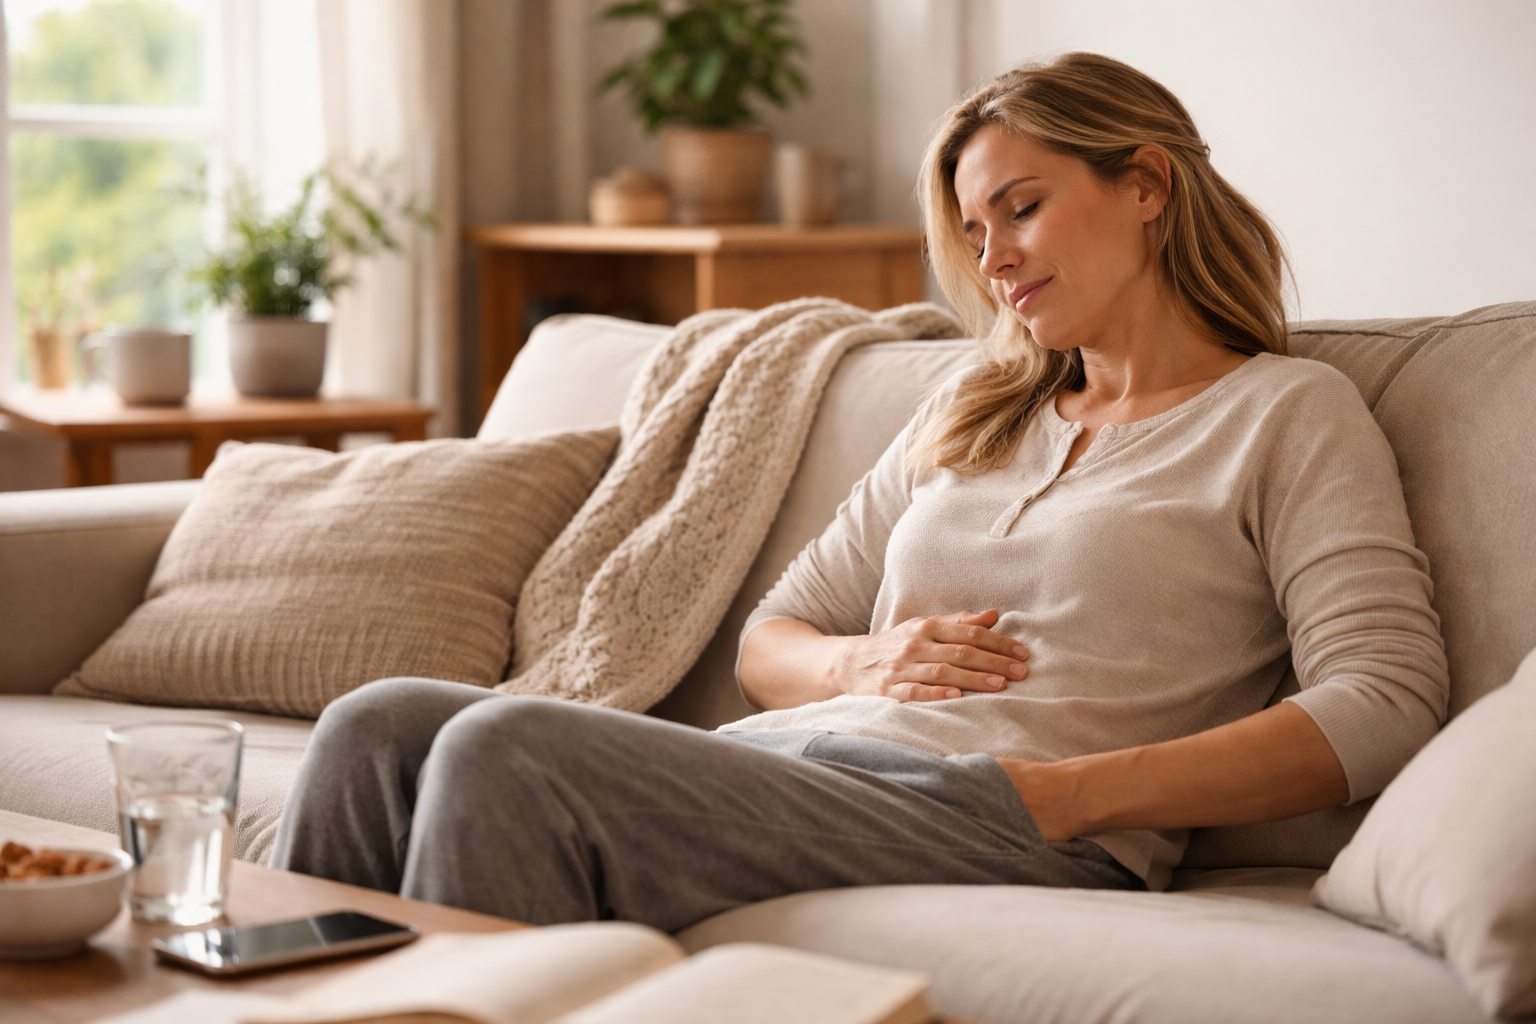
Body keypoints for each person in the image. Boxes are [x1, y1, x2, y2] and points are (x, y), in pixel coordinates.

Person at [271, 53, 1448, 928]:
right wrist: (855, 663)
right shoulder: (974, 412)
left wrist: (1068, 795)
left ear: (1146, 182)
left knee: (504, 752)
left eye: (1023, 207)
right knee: (375, 726)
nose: (993, 260)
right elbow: (769, 638)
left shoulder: (1284, 414)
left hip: (1010, 818)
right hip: (811, 761)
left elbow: (1387, 699)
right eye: (976, 231)